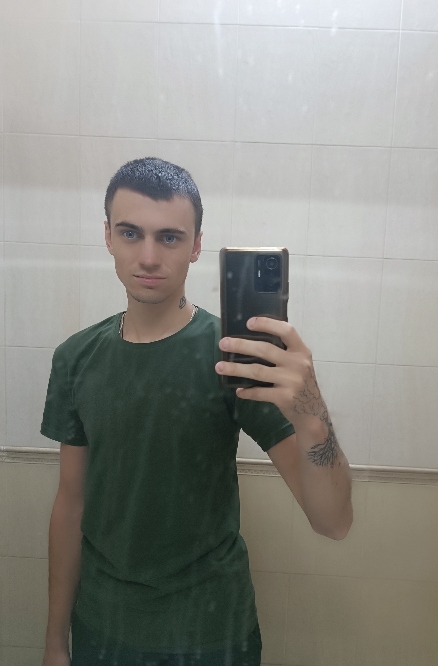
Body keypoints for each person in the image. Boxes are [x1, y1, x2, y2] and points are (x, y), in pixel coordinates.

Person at [40, 158, 353, 666]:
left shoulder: (234, 355)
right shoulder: (76, 358)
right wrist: (55, 641)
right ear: (108, 236)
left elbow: (333, 520)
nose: (148, 257)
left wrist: (312, 411)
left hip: (212, 634)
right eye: (130, 233)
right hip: (103, 626)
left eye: (169, 237)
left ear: (197, 246)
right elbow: (70, 504)